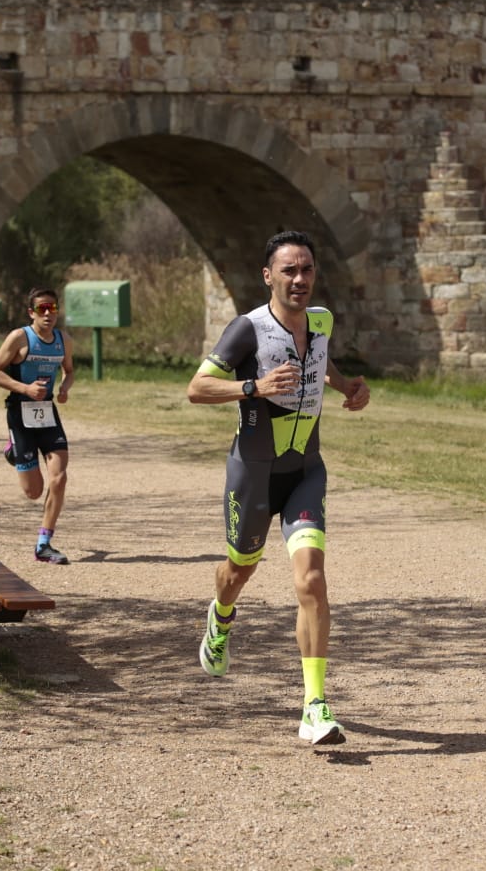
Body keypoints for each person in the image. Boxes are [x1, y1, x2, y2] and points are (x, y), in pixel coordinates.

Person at [187, 230, 370, 746]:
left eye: (307, 269)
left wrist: (347, 386)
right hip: (253, 471)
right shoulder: (247, 330)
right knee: (238, 571)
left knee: (311, 581)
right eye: (289, 270)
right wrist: (253, 387)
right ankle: (220, 620)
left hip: (305, 471)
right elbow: (197, 388)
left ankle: (315, 705)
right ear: (268, 276)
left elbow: (321, 363)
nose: (300, 279)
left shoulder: (321, 321)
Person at [0, 287, 75, 565]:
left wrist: (64, 389)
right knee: (33, 492)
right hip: (19, 414)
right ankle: (13, 450)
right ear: (31, 313)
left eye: (53, 308)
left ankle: (43, 544)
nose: (48, 314)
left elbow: (69, 371)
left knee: (59, 478)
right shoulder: (19, 337)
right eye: (42, 309)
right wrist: (24, 387)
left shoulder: (63, 340)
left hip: (47, 412)